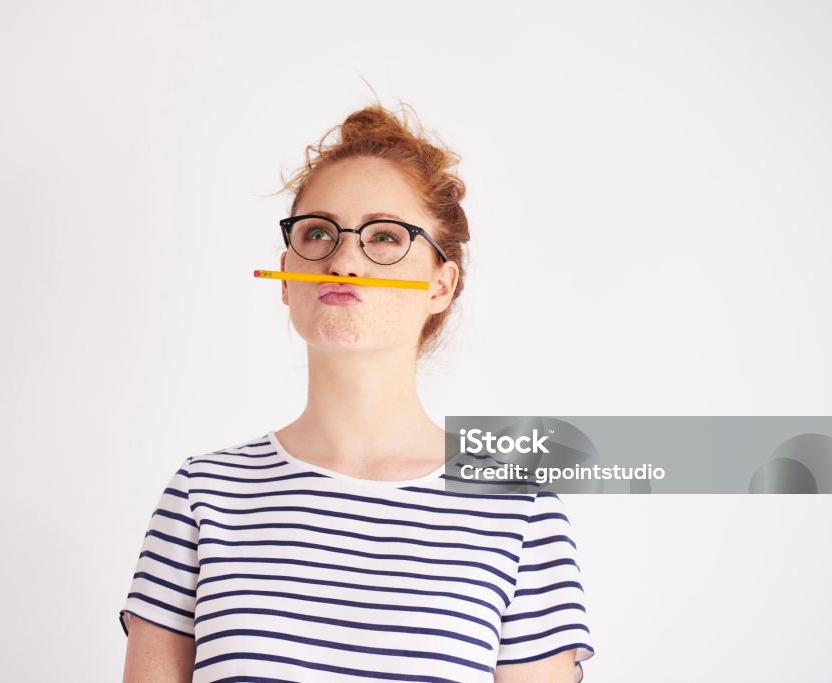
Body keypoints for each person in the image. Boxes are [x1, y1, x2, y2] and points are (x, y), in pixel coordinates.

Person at [119, 102, 595, 682]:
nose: (344, 260)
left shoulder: (520, 512)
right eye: (318, 232)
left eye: (386, 237)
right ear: (287, 274)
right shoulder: (203, 496)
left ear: (440, 286)